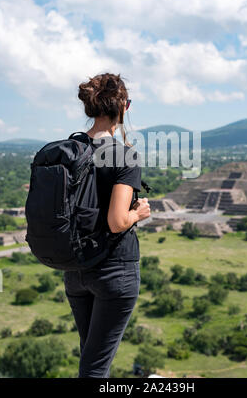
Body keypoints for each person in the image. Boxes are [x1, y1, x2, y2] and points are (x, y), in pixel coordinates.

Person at [63, 73, 150, 378]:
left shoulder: (68, 150)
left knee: (90, 359)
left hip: (75, 271)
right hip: (114, 273)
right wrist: (138, 213)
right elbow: (117, 222)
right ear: (125, 107)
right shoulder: (123, 156)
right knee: (96, 369)